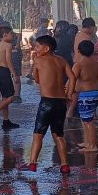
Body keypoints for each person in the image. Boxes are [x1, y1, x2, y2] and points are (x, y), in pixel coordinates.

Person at [26, 35, 74, 173]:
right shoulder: (61, 60)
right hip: (60, 102)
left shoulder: (39, 60)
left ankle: (33, 162)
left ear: (46, 48)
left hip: (46, 102)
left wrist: (35, 66)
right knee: (58, 134)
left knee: (38, 133)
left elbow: (36, 78)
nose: (35, 49)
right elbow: (72, 77)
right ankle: (64, 164)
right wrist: (69, 93)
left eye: (37, 47)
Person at [70, 40, 98, 153]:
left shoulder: (79, 64)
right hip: (96, 93)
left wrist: (68, 92)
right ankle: (88, 142)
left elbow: (72, 79)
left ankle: (92, 145)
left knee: (89, 121)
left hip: (86, 95)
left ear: (78, 51)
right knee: (85, 119)